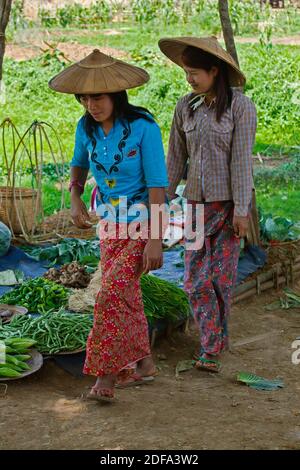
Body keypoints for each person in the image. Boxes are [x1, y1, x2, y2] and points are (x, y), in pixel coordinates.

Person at [49, 49, 168, 401]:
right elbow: (78, 165)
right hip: (109, 227)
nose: (90, 104)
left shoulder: (144, 128)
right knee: (126, 296)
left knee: (109, 294)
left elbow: (158, 186)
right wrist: (74, 196)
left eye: (97, 97)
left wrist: (156, 240)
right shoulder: (85, 128)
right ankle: (144, 363)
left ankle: (107, 375)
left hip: (142, 225)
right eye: (84, 98)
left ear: (115, 94)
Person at [159, 36, 257, 372]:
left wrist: (242, 210)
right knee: (195, 279)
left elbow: (242, 162)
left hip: (228, 208)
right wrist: (161, 201)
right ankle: (211, 344)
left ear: (215, 71)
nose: (189, 79)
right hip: (197, 210)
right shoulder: (186, 107)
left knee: (221, 278)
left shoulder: (240, 108)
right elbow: (174, 159)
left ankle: (215, 341)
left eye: (194, 73)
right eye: (186, 72)